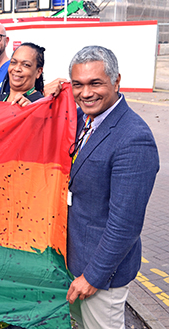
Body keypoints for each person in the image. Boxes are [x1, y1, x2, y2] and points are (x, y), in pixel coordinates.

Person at [66, 46, 159, 328]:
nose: (85, 93)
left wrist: (93, 276)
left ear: (116, 81)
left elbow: (125, 224)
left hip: (100, 277)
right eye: (77, 85)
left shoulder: (133, 138)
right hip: (76, 262)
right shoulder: (87, 118)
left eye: (96, 83)